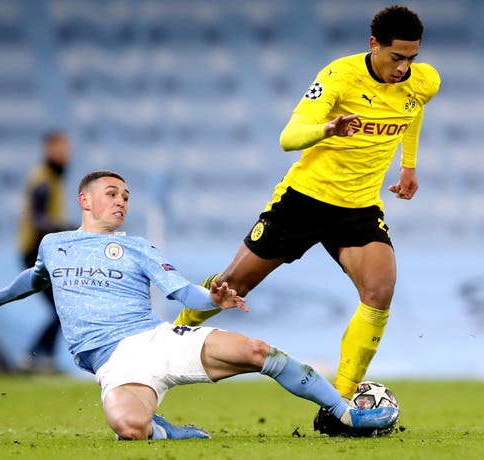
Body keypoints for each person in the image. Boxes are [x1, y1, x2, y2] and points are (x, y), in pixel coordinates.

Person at [0, 170, 398, 441]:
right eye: (112, 193)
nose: (121, 201)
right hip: (115, 364)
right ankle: (165, 431)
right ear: (85, 200)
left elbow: (182, 292)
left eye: (126, 197)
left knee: (258, 352)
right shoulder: (54, 244)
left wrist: (212, 297)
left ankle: (344, 413)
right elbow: (35, 278)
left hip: (156, 340)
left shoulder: (138, 248)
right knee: (129, 429)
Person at [174, 5, 440, 436]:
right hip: (304, 201)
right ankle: (172, 334)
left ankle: (338, 404)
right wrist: (329, 128)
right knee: (232, 286)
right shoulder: (338, 77)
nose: (405, 67)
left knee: (380, 289)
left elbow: (415, 107)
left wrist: (408, 166)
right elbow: (288, 137)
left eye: (412, 57)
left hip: (358, 208)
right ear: (374, 45)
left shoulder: (424, 80)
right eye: (397, 57)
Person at [17, 130, 74, 372]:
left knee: (62, 307)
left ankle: (41, 357)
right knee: (62, 306)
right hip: (35, 251)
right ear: (49, 150)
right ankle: (33, 357)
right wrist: (68, 229)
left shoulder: (52, 178)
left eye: (67, 150)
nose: (65, 155)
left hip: (43, 251)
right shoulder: (43, 180)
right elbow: (39, 219)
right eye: (60, 149)